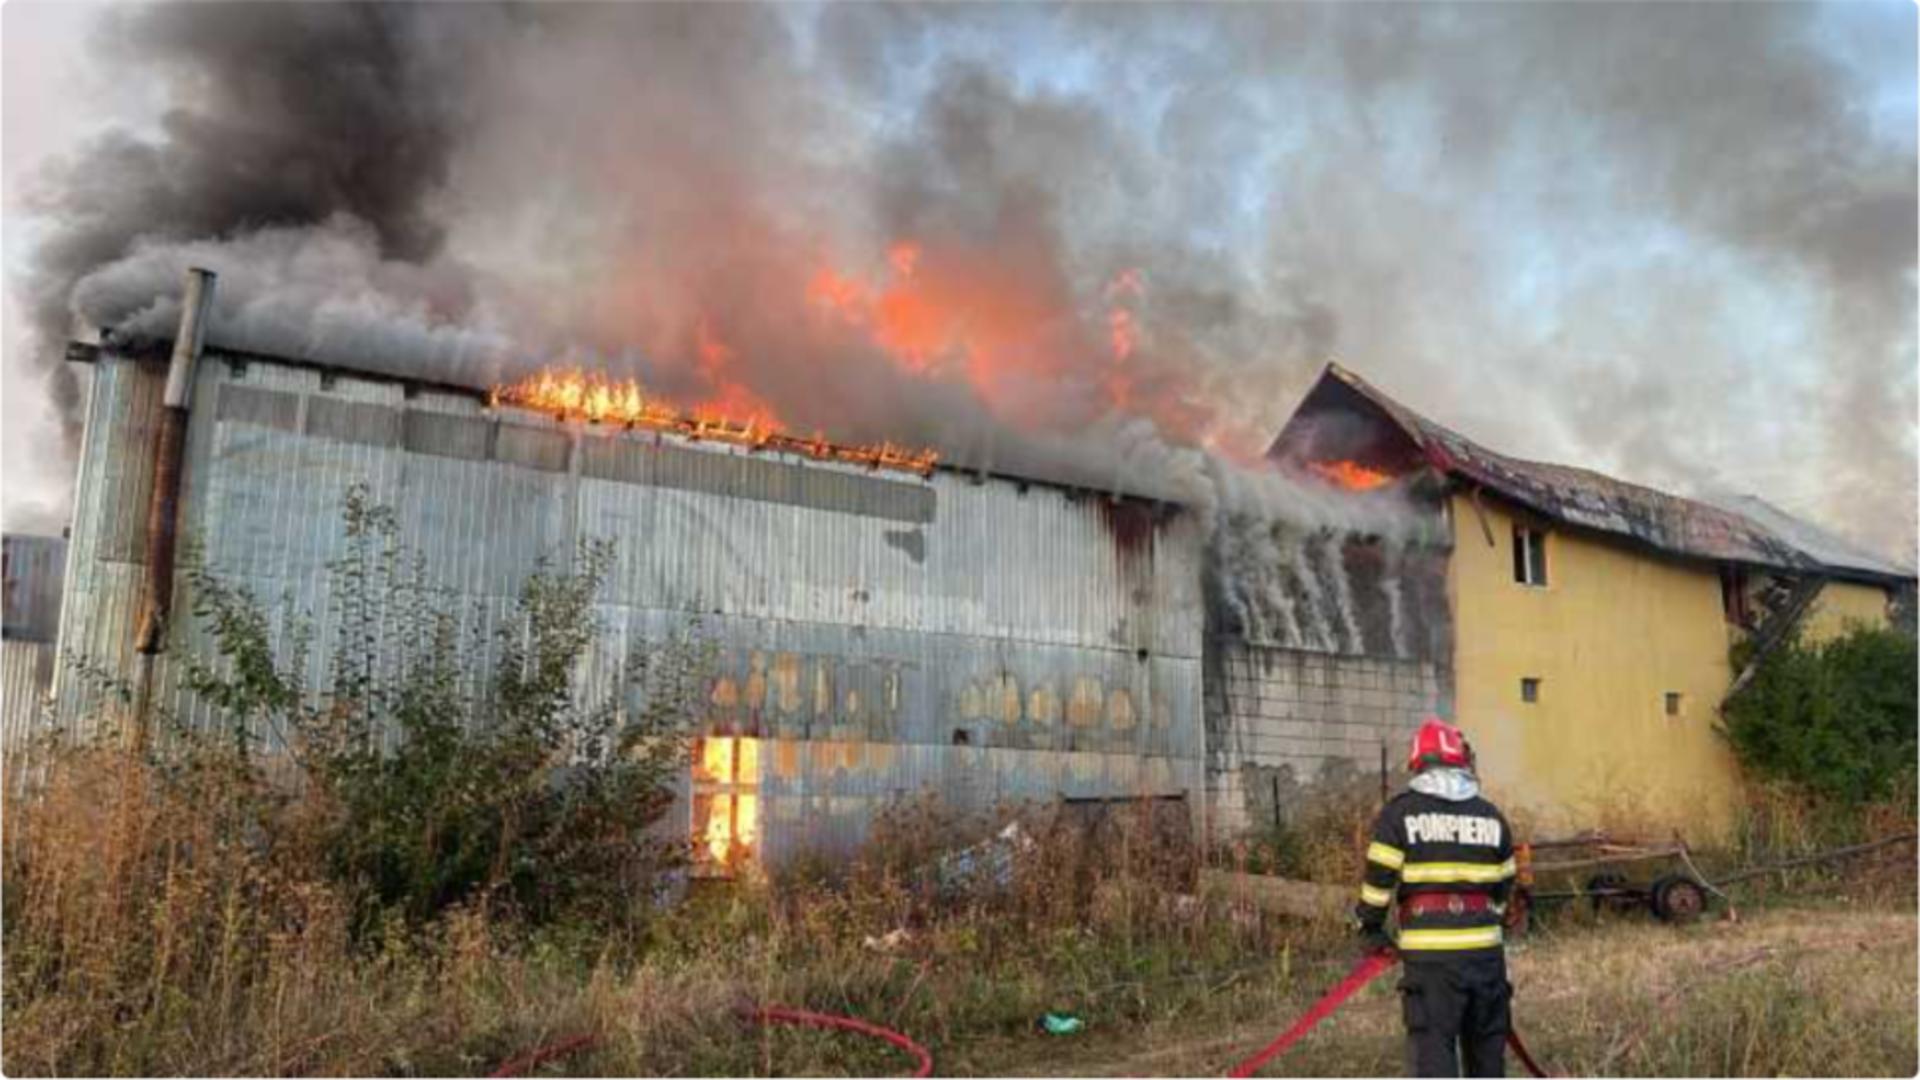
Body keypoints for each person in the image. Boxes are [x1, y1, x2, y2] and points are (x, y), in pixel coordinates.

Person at [1355, 716, 1518, 1078]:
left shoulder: (1400, 813)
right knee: (1487, 1054)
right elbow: (1507, 885)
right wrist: (1490, 922)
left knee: (1433, 1053)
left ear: (1418, 763)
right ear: (1460, 762)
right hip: (1486, 957)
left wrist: (1370, 927)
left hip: (1431, 961)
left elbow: (1378, 879)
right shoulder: (1491, 816)